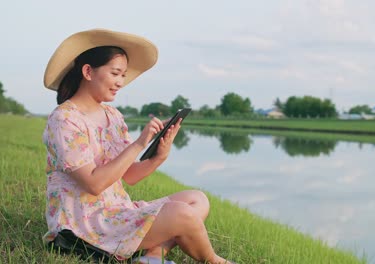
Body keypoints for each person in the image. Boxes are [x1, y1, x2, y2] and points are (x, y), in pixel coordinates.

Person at [42, 29, 233, 264]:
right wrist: (139, 144)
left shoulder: (112, 116)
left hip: (116, 211)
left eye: (123, 75)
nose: (120, 82)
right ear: (88, 71)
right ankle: (214, 261)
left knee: (196, 199)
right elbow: (94, 184)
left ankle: (152, 256)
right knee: (182, 214)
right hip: (84, 224)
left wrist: (158, 156)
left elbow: (129, 175)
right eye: (115, 73)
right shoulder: (65, 119)